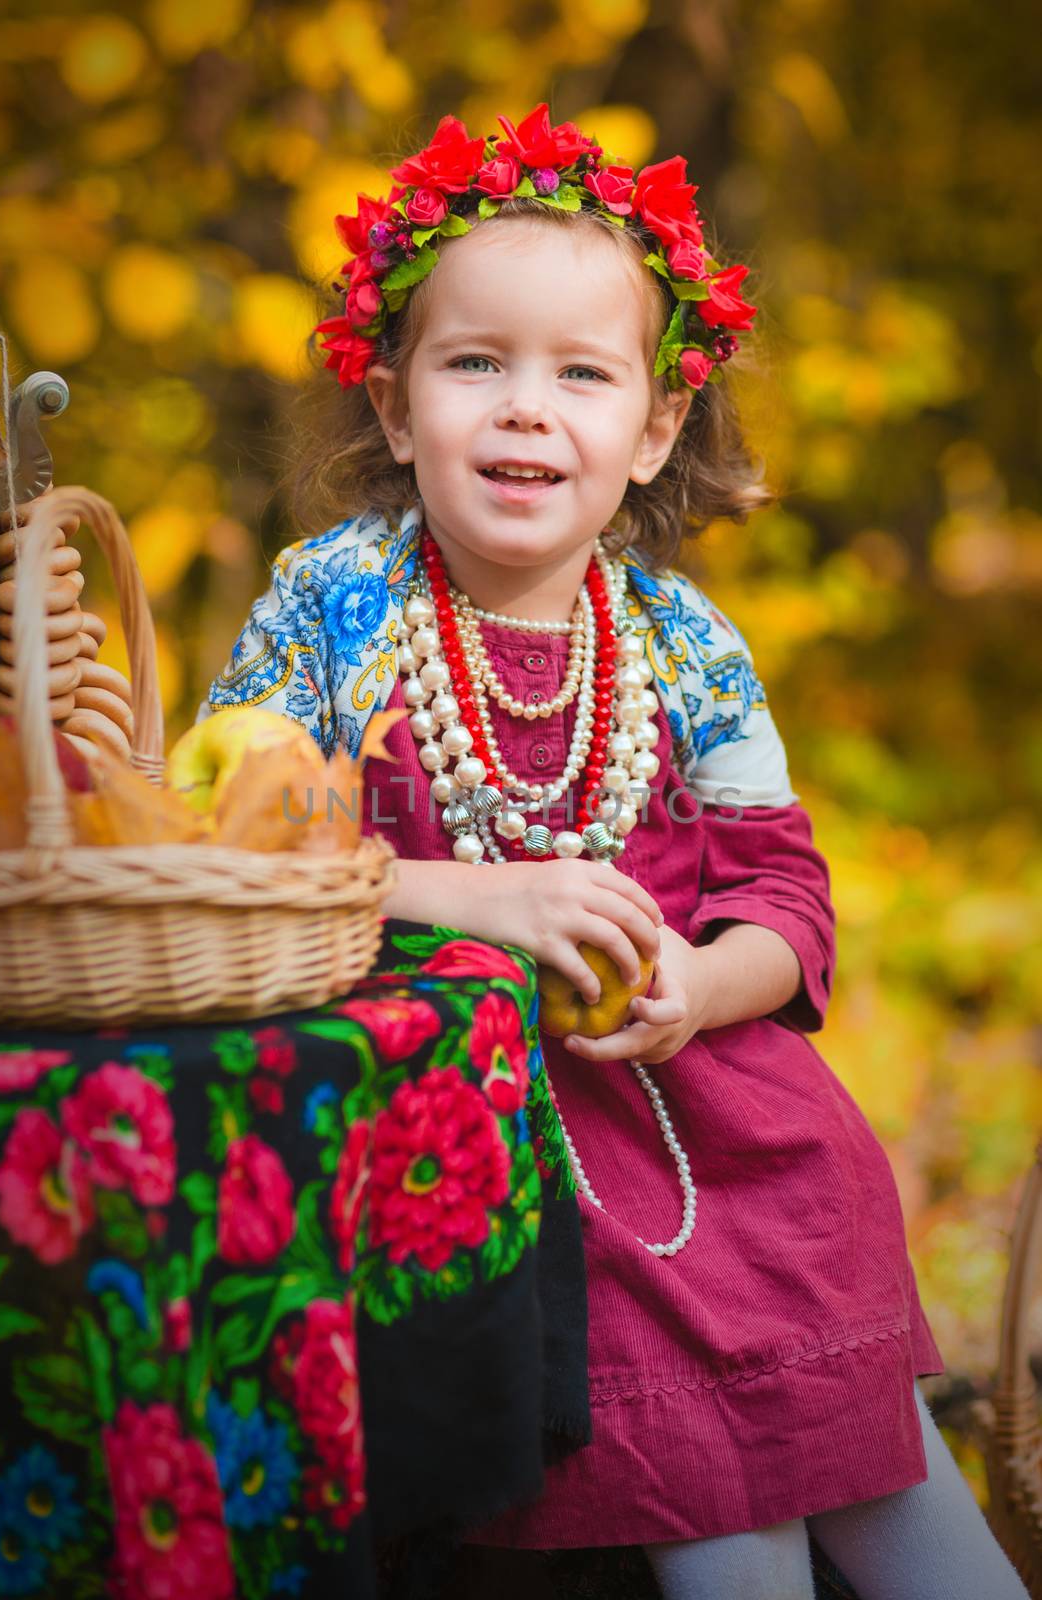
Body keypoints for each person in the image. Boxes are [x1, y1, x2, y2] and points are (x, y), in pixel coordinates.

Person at [198, 104, 1028, 1600]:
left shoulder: (680, 640)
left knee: (903, 1514)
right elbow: (219, 849)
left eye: (581, 374)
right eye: (474, 365)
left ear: (651, 432)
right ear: (393, 410)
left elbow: (785, 894)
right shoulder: (334, 606)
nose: (526, 410)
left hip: (733, 1144)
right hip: (505, 1152)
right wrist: (460, 894)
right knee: (732, 1543)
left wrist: (710, 988)